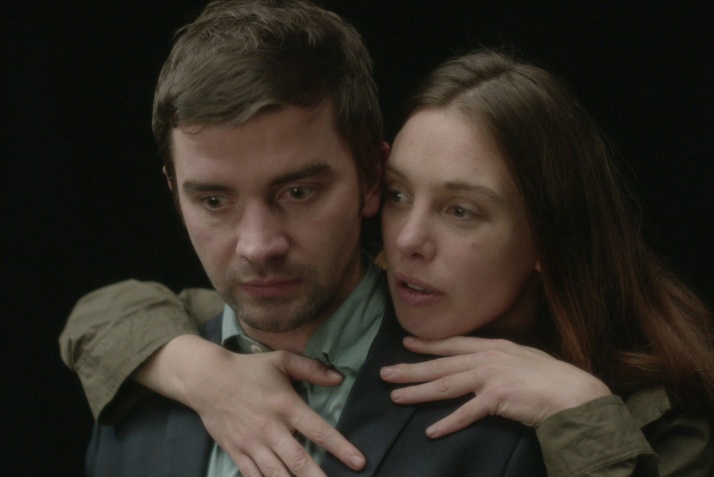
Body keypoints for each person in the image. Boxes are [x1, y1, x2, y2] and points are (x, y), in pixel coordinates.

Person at [62, 47, 714, 476]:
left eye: (462, 210)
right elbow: (110, 314)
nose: (407, 240)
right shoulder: (311, 314)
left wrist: (580, 404)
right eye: (400, 196)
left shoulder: (650, 411)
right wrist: (200, 371)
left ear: (548, 237)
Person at [66, 1, 550, 476]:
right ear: (174, 193)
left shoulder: (503, 422)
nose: (258, 246)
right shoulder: (134, 409)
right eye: (213, 201)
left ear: (371, 178)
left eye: (298, 192)